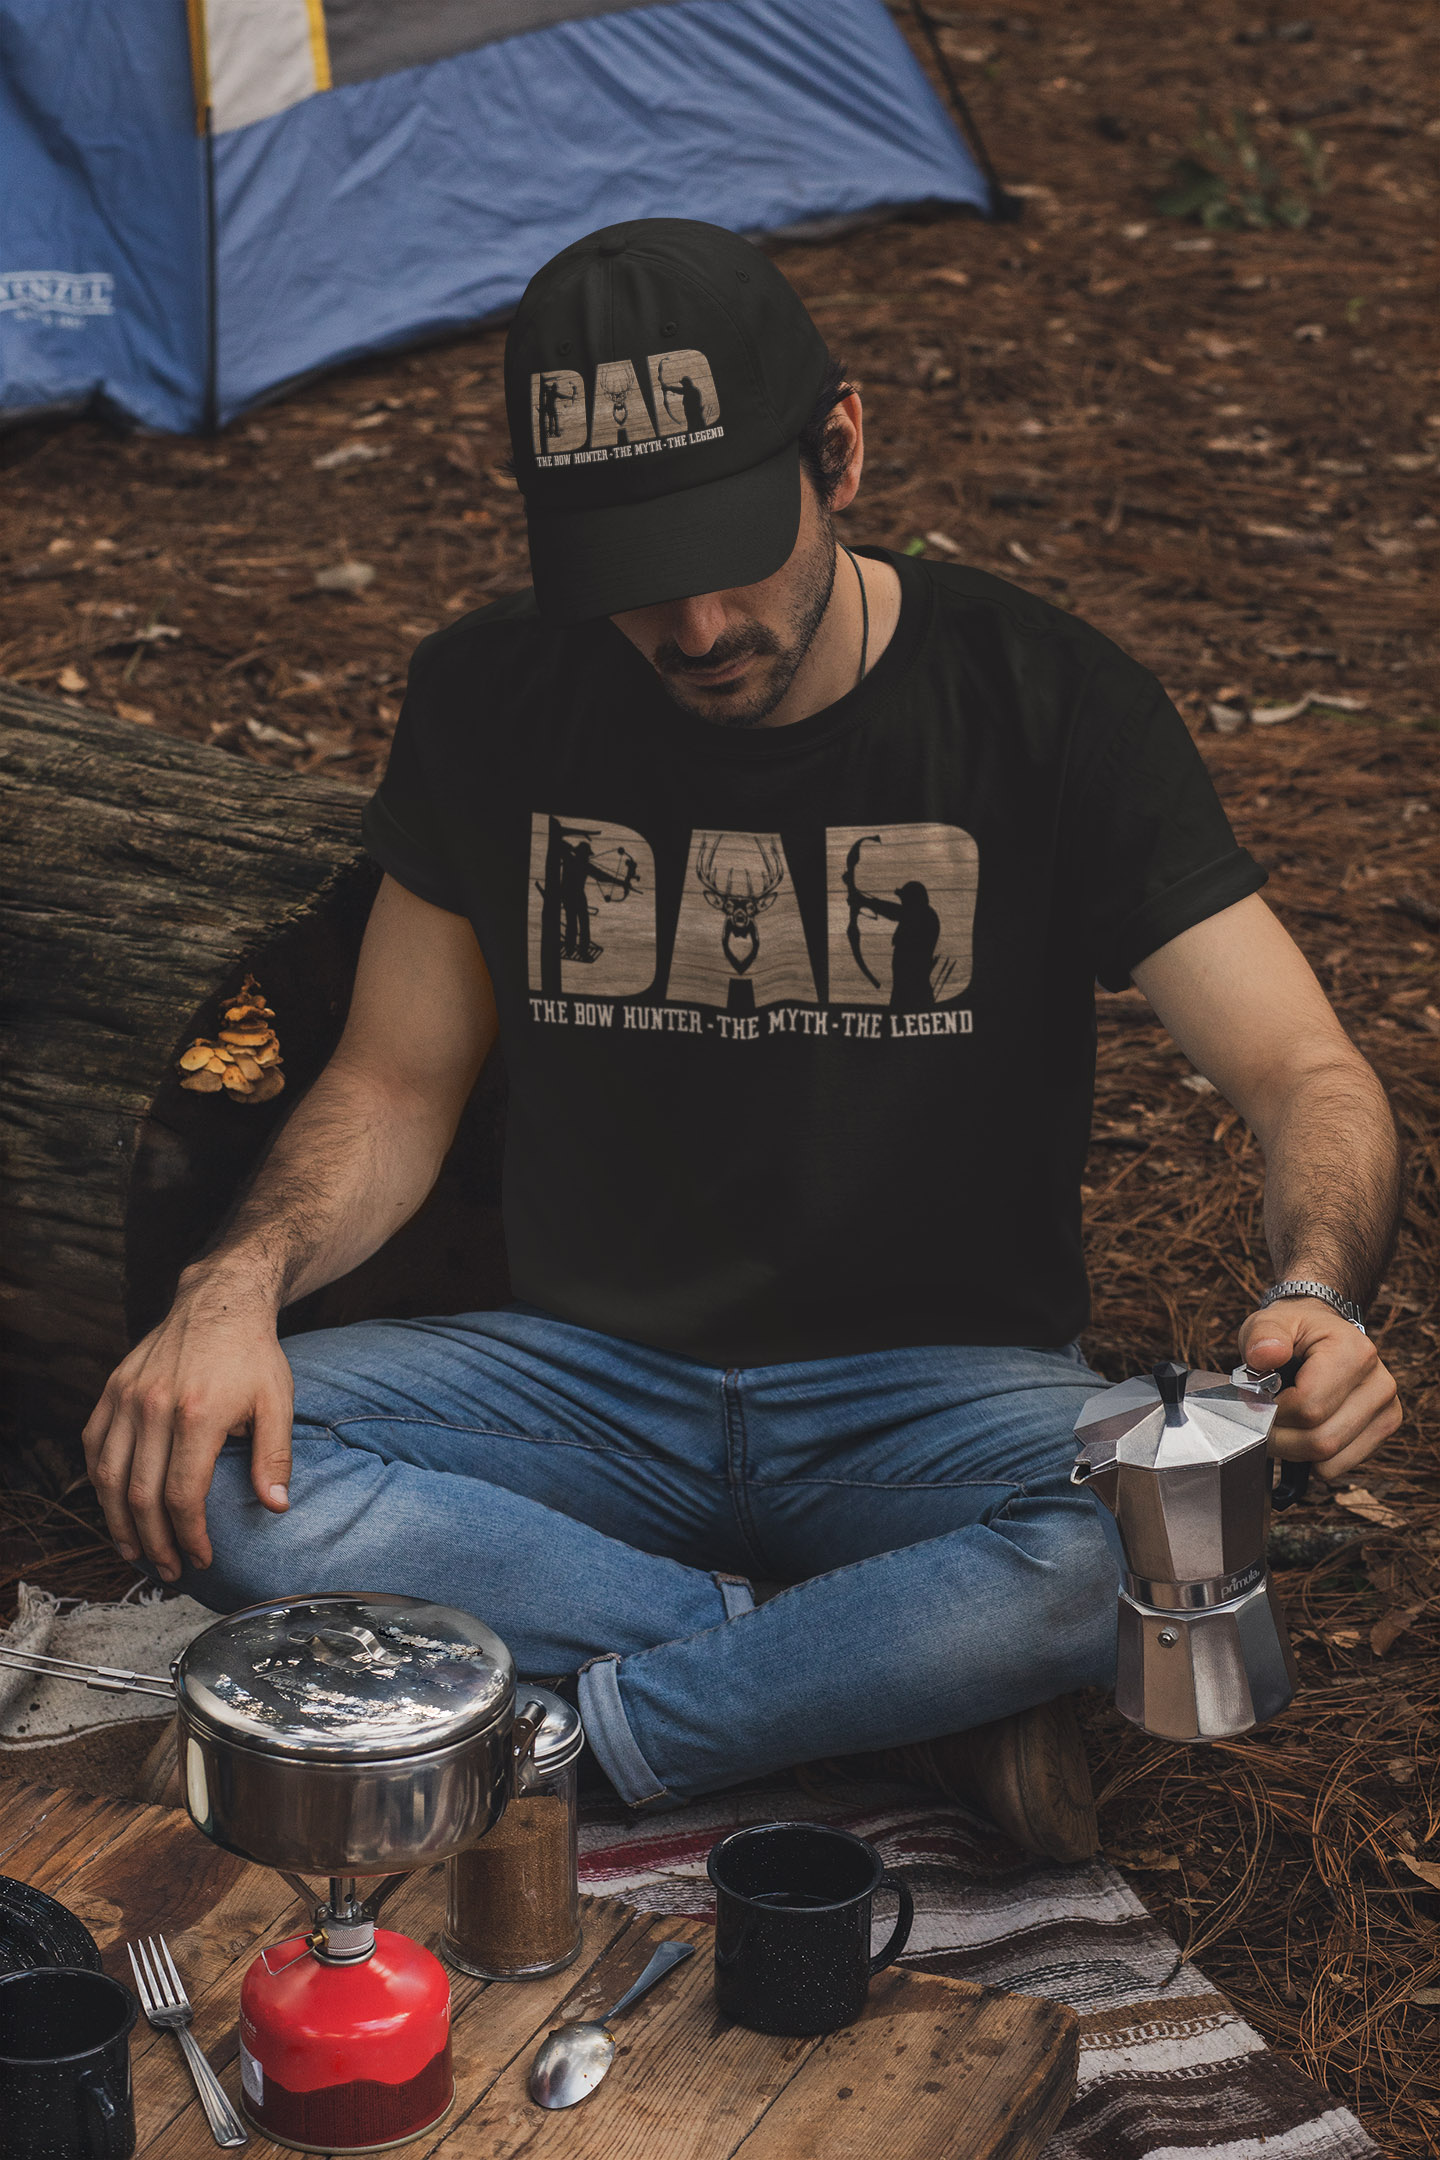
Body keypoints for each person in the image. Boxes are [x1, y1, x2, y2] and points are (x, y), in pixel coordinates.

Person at [82, 221, 1403, 1859]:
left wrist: (1316, 1289)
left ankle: (590, 1735)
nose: (698, 625)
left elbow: (1305, 1073)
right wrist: (228, 1287)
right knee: (206, 1468)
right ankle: (869, 1682)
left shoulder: (1048, 702)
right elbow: (392, 1084)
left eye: (731, 552)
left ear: (838, 452)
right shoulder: (495, 695)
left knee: (1153, 1542)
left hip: (933, 1399)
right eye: (635, 578)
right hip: (586, 1393)